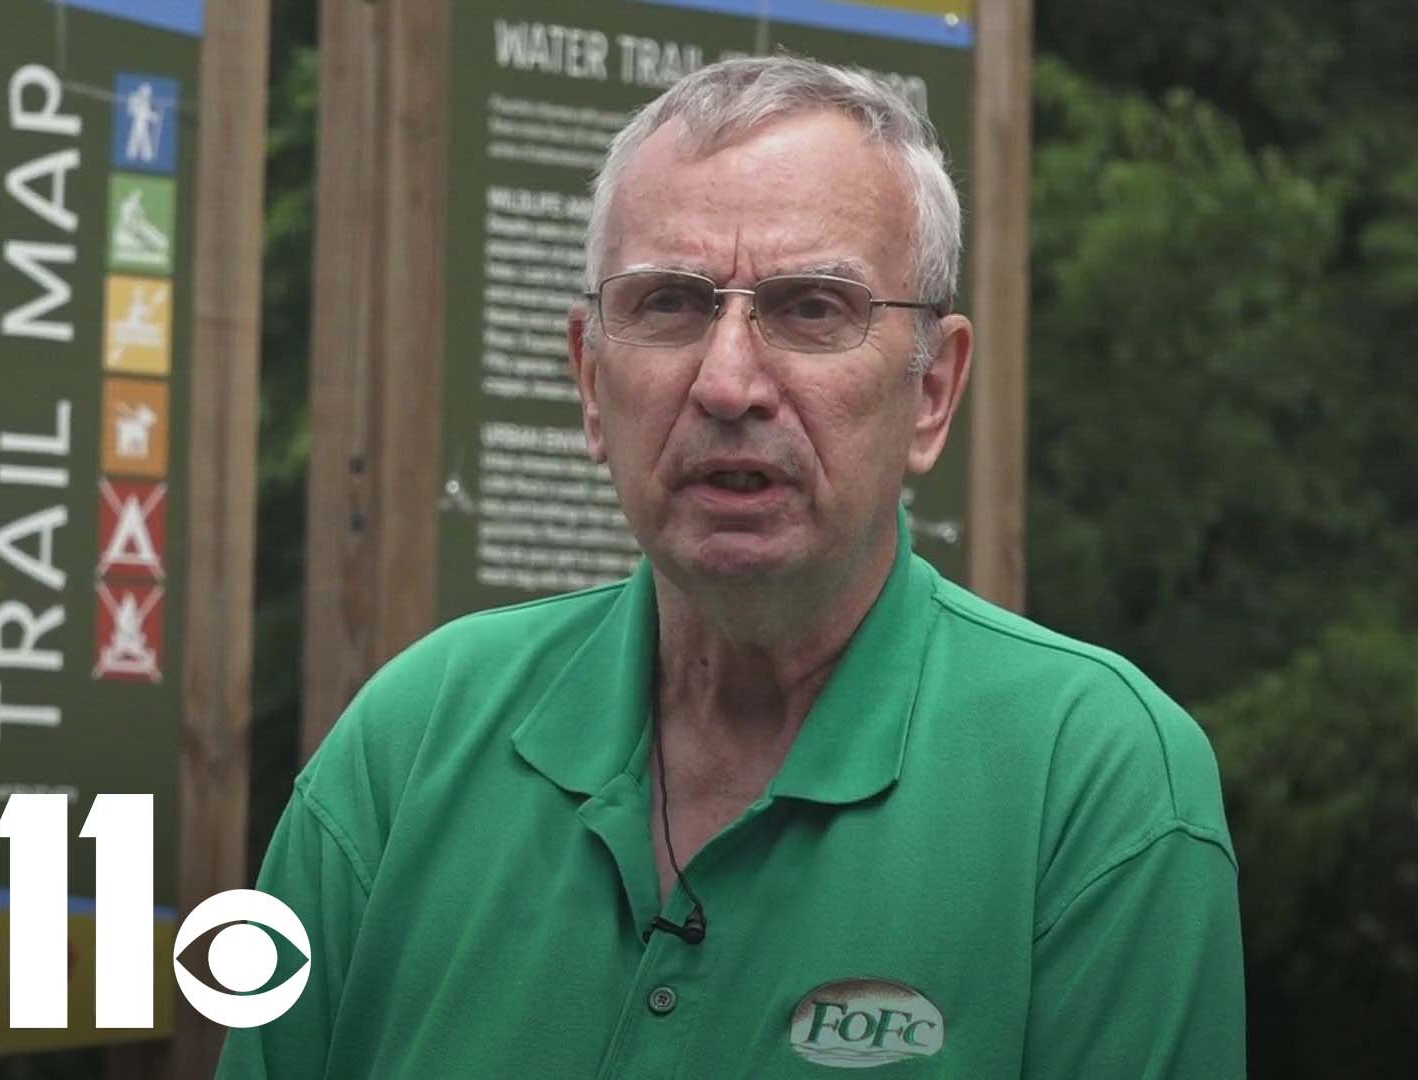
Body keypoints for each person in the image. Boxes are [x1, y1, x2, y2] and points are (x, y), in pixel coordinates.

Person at [219, 55, 1244, 1077]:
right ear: (589, 381)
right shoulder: (411, 744)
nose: (728, 382)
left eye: (811, 308)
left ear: (932, 390)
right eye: (670, 303)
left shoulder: (1094, 783)